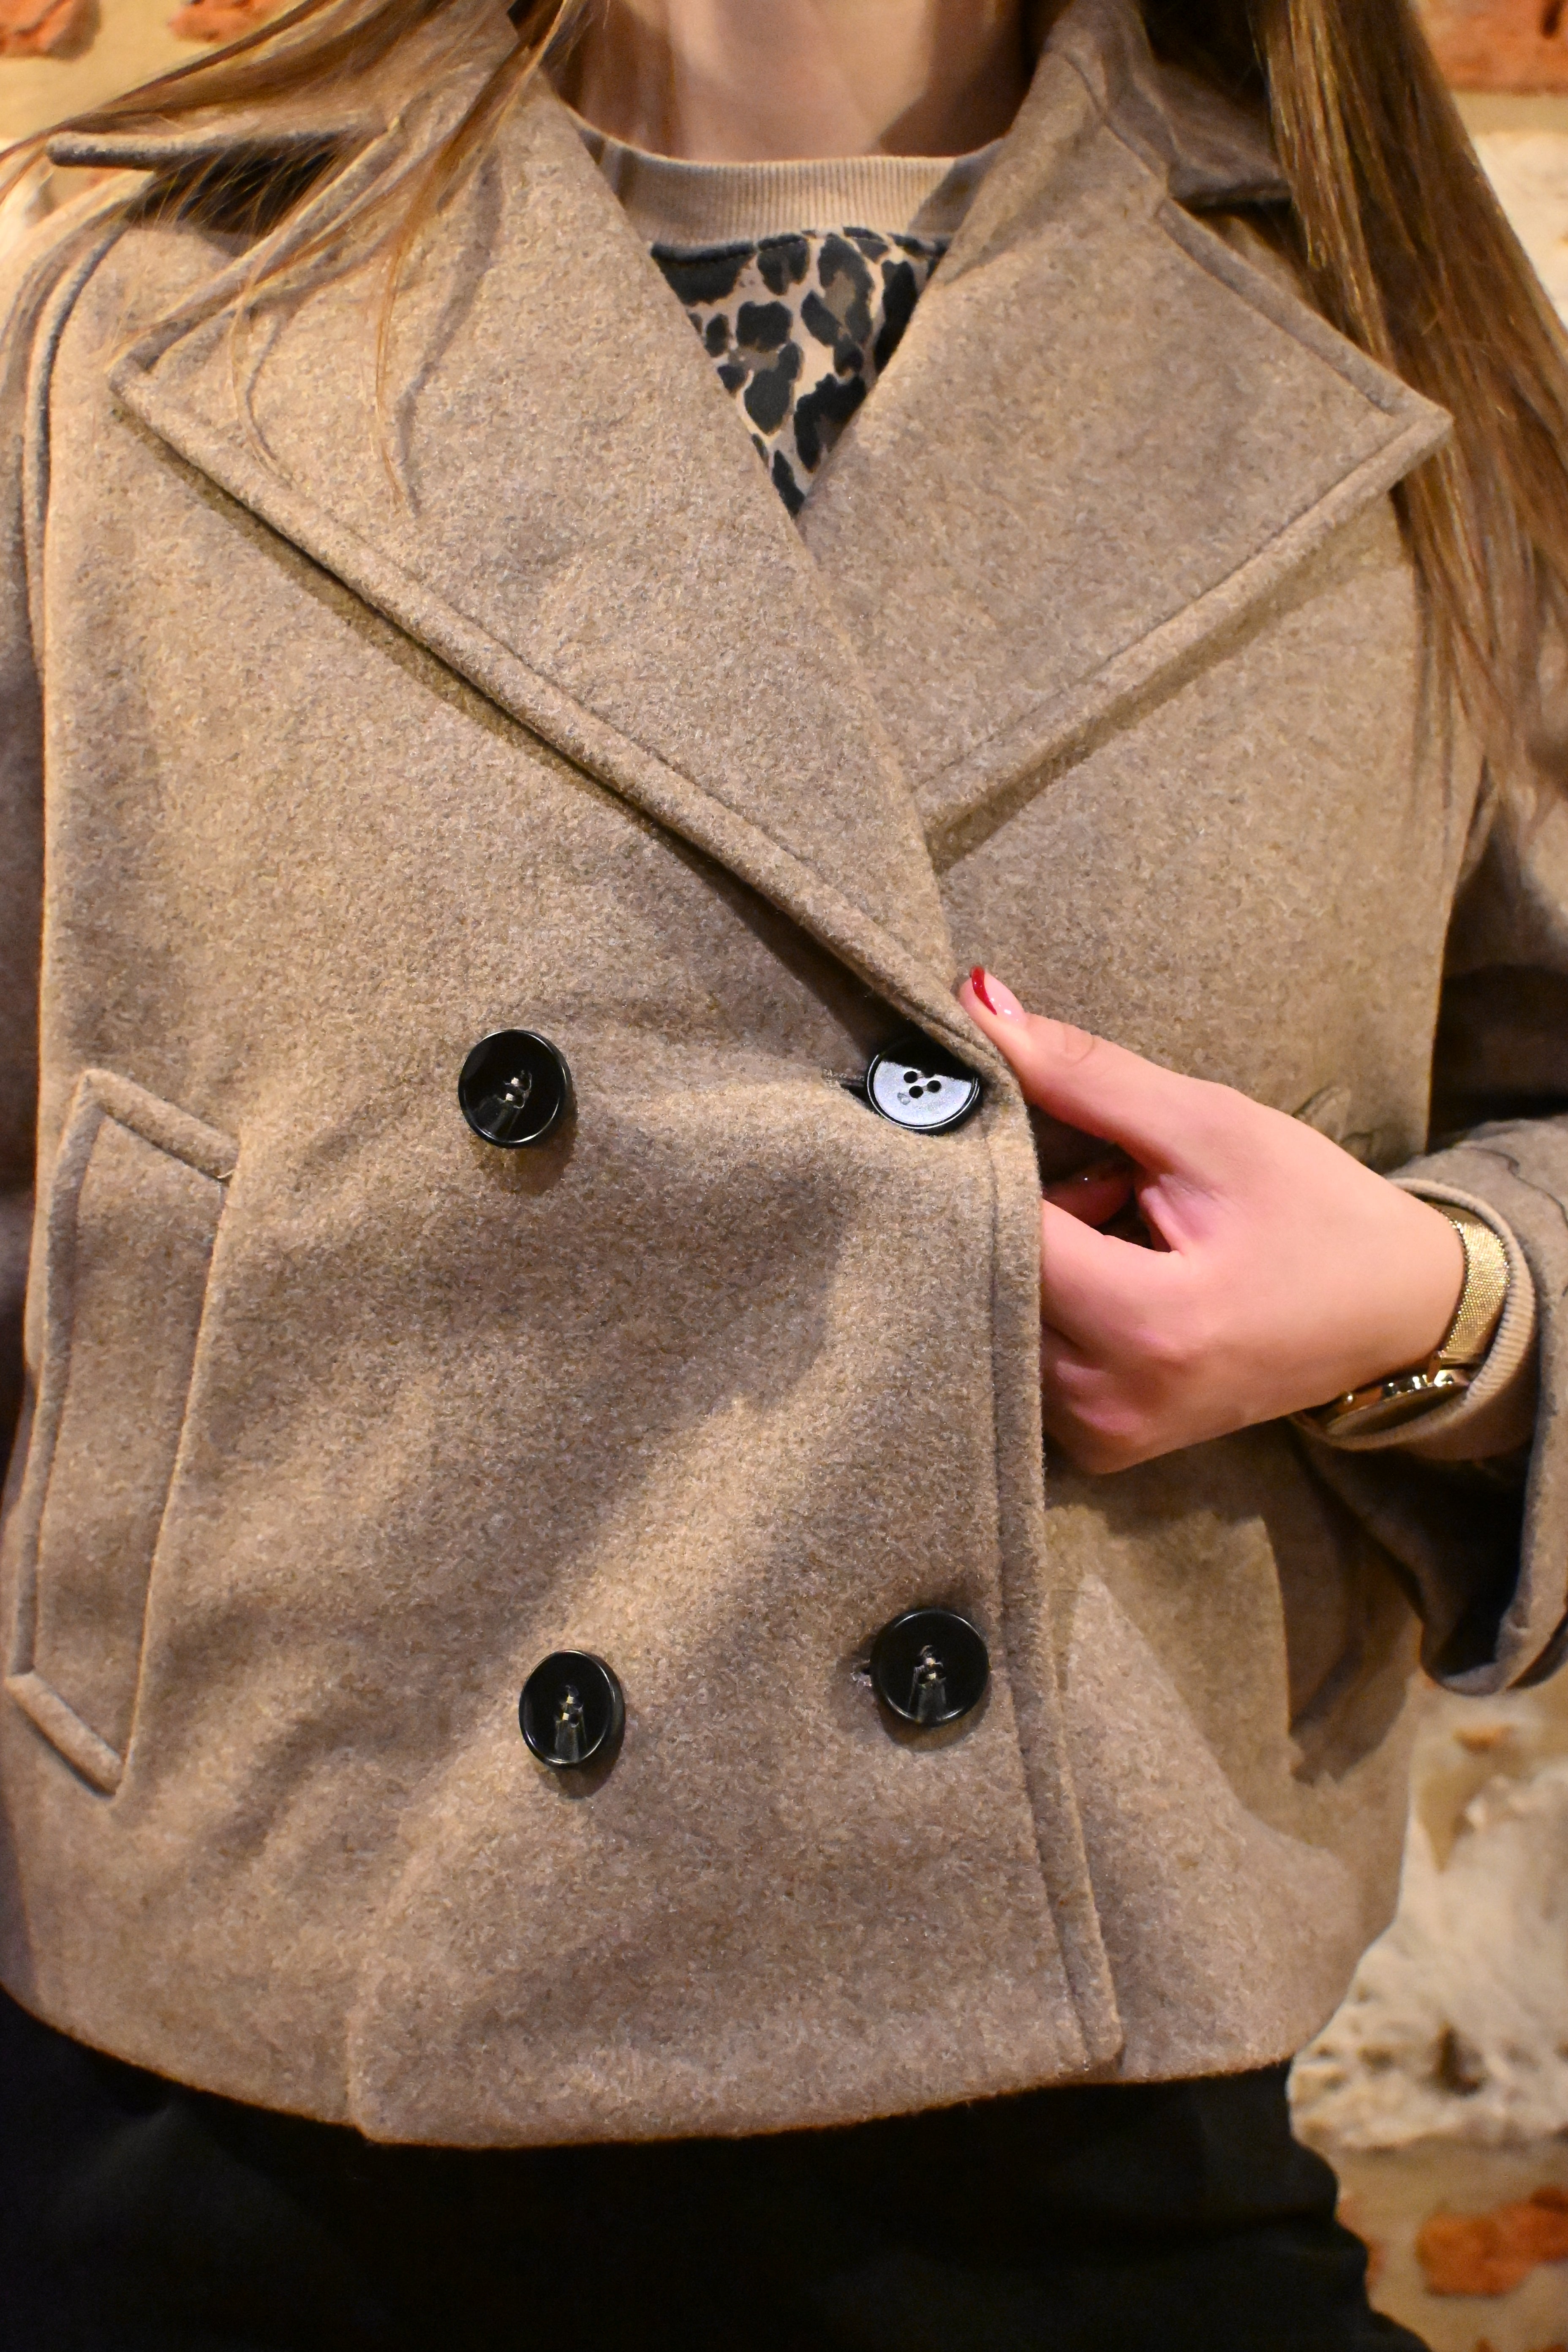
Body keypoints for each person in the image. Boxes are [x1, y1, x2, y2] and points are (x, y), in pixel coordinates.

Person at [1, 0, 1565, 2343]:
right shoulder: (133, 276)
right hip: (236, 2077)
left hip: (1084, 2146)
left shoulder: (1391, 311)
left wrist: (1439, 1304)